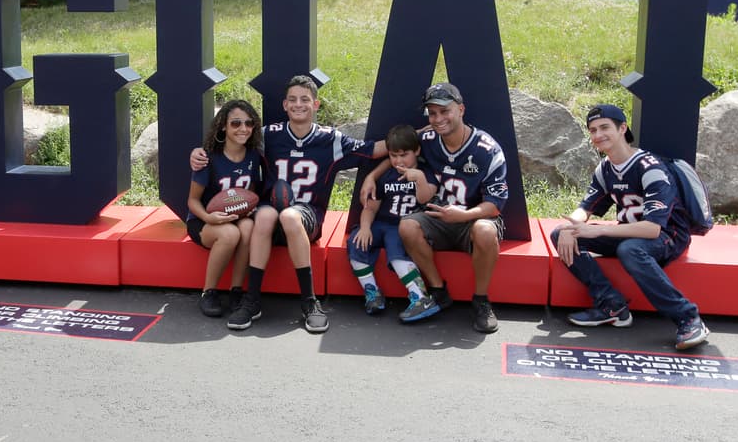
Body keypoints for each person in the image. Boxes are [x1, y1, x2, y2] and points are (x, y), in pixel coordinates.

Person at [194, 76, 386, 333]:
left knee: (290, 217)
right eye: (293, 99)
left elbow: (372, 150)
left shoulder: (331, 140)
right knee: (263, 216)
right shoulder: (268, 136)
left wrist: (417, 138)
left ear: (316, 104)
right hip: (271, 213)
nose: (299, 104)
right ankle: (252, 299)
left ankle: (310, 301)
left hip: (307, 216)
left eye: (305, 99)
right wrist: (197, 152)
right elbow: (233, 142)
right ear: (284, 104)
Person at [551, 104, 711, 350]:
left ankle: (688, 317)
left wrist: (599, 230)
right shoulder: (605, 168)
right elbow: (587, 207)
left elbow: (652, 230)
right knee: (559, 234)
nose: (598, 135)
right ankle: (612, 306)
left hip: (668, 236)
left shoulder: (650, 167)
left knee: (630, 249)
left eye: (604, 127)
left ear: (622, 128)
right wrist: (570, 225)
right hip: (630, 234)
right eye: (593, 130)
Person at [362, 83, 508, 333]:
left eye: (444, 111)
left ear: (461, 109)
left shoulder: (487, 149)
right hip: (438, 215)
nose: (438, 119)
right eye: (432, 113)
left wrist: (464, 214)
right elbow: (399, 152)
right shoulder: (427, 139)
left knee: (485, 230)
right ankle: (438, 290)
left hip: (473, 217)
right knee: (407, 225)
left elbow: (495, 205)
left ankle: (481, 301)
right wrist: (372, 176)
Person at [349, 124, 440, 320]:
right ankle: (371, 291)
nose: (398, 160)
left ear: (416, 151)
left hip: (405, 225)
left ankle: (419, 296)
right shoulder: (386, 175)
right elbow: (371, 207)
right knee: (355, 240)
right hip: (382, 222)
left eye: (403, 155)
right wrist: (365, 227)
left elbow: (425, 198)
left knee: (394, 245)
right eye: (393, 155)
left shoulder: (425, 172)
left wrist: (420, 179)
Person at [186, 99, 266, 319]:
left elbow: (248, 192)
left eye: (249, 123)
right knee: (230, 234)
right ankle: (209, 292)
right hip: (203, 220)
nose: (243, 128)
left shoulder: (253, 155)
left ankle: (236, 291)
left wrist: (247, 209)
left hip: (233, 216)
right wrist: (209, 218)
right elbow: (192, 201)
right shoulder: (207, 156)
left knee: (249, 227)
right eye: (236, 123)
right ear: (223, 125)